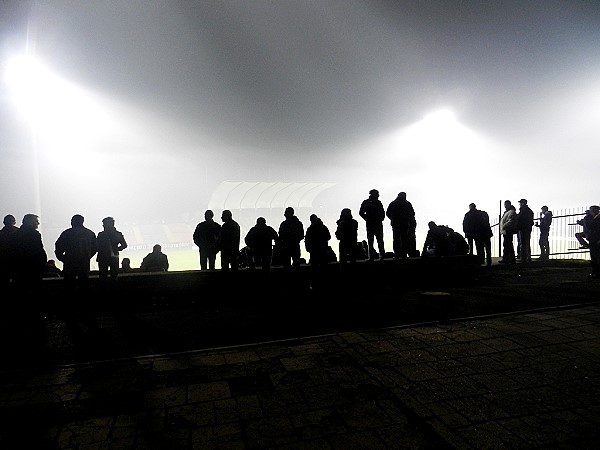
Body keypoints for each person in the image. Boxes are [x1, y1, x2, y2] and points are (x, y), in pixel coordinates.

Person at [54, 214, 98, 294]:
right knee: (84, 285)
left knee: (69, 286)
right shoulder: (90, 234)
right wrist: (87, 256)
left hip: (70, 264)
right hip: (84, 263)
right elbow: (95, 248)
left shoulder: (67, 233)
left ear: (73, 221)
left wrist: (63, 259)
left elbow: (58, 247)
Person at [15, 214, 48, 299]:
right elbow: (38, 250)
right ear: (30, 222)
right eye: (36, 221)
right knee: (35, 290)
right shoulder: (35, 234)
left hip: (21, 268)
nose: (38, 223)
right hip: (34, 267)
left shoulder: (17, 234)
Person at [96, 216, 128, 288]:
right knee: (114, 276)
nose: (103, 225)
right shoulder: (118, 234)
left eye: (104, 224)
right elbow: (124, 245)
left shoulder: (101, 234)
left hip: (103, 257)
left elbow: (96, 246)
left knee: (103, 276)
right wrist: (116, 249)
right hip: (114, 257)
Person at [386, 192, 417, 259]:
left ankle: (397, 254)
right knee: (404, 239)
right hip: (405, 224)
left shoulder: (393, 203)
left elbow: (388, 213)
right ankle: (403, 254)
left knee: (396, 239)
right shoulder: (407, 204)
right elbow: (412, 214)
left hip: (395, 224)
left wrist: (393, 219)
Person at [359, 189, 386, 261]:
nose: (378, 195)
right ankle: (380, 256)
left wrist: (367, 219)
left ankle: (372, 257)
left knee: (372, 241)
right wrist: (379, 219)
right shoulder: (377, 202)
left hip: (372, 224)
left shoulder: (367, 202)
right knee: (378, 241)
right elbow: (383, 213)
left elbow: (361, 212)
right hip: (375, 224)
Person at [0, 214, 20, 288]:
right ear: (14, 222)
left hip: (3, 264)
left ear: (4, 222)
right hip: (18, 263)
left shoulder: (1, 234)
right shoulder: (19, 233)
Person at [517, 199, 534, 263]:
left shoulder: (523, 211)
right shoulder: (529, 211)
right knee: (527, 243)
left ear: (523, 203)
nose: (520, 204)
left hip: (523, 229)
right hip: (527, 229)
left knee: (523, 244)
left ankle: (523, 258)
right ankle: (528, 257)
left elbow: (520, 219)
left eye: (520, 203)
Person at [586, 205, 600, 279]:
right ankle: (595, 272)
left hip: (595, 238)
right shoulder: (589, 218)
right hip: (593, 239)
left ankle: (596, 272)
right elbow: (589, 226)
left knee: (596, 256)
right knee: (594, 256)